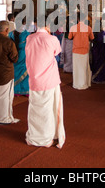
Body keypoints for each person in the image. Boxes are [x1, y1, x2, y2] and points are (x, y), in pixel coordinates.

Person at [25, 18, 65, 149]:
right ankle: (47, 138)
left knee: (34, 108)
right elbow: (57, 52)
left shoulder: (30, 38)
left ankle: (34, 136)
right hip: (49, 79)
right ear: (48, 27)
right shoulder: (51, 39)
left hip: (34, 78)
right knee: (49, 109)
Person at [68, 14, 94, 90]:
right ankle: (84, 83)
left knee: (76, 68)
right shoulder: (88, 28)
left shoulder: (73, 27)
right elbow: (92, 38)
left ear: (78, 18)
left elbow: (69, 37)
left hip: (76, 50)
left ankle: (76, 83)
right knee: (84, 67)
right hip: (85, 50)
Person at [9, 19, 31, 96]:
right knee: (25, 73)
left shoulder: (11, 34)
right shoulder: (27, 34)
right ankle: (25, 90)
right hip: (24, 55)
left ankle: (16, 91)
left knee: (16, 72)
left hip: (14, 55)